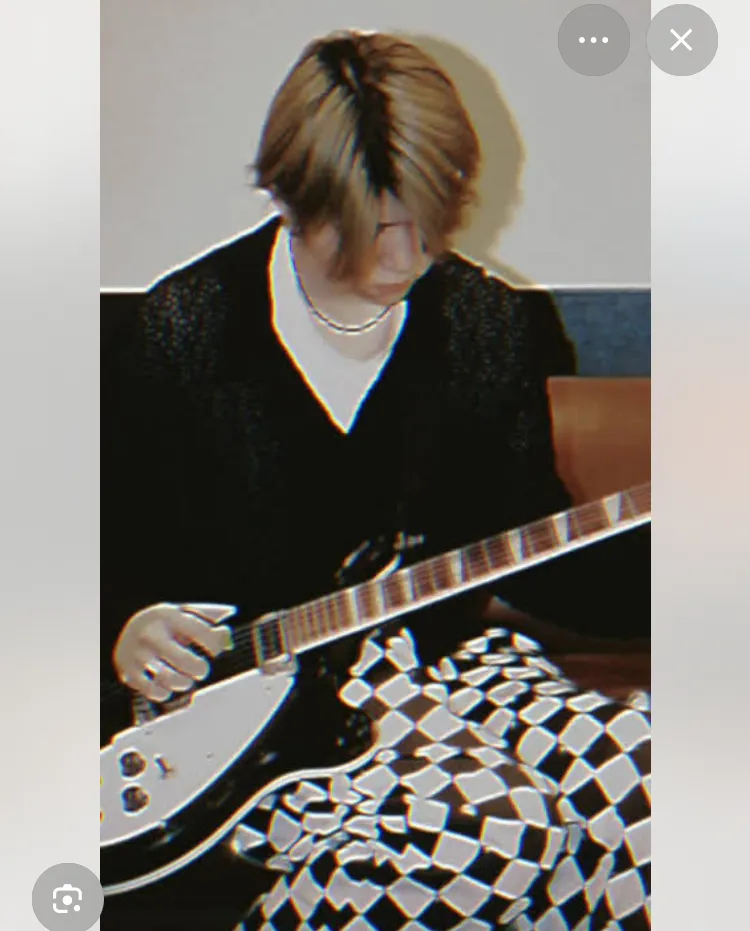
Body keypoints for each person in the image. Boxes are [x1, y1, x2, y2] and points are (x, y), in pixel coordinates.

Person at [102, 29, 650, 931]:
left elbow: (543, 554)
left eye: (425, 225)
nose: (400, 259)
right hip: (258, 718)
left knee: (645, 772)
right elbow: (93, 546)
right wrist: (123, 624)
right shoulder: (185, 329)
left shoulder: (486, 324)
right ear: (291, 198)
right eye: (363, 230)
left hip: (446, 671)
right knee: (489, 828)